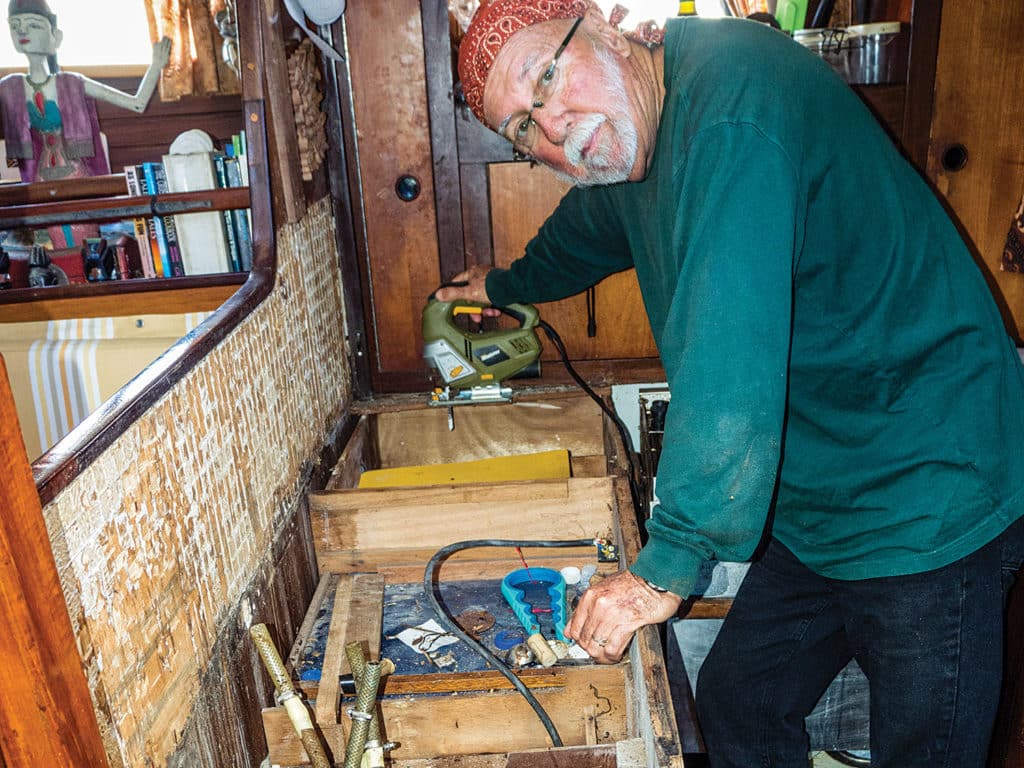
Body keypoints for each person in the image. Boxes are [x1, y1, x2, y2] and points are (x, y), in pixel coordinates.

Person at [436, 1, 1024, 765]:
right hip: (825, 497)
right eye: (519, 128)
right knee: (739, 702)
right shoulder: (636, 139)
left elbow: (728, 354)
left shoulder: (730, 105)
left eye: (544, 77)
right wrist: (505, 283)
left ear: (610, 28)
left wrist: (666, 568)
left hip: (931, 485)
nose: (549, 126)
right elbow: (590, 228)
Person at [0, 0, 170, 247]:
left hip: (76, 176)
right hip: (40, 180)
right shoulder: (9, 86)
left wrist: (155, 65)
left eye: (33, 25)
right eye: (15, 25)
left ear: (56, 37)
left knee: (83, 239)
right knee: (53, 242)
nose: (22, 31)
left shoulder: (73, 82)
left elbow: (137, 103)